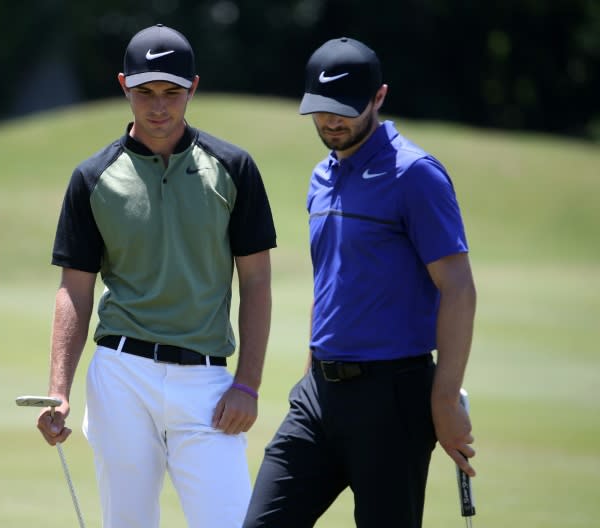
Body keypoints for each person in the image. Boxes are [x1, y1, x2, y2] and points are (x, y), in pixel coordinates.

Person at [35, 24, 276, 528]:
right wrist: (59, 388)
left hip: (209, 383)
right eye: (145, 92)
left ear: (193, 88)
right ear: (124, 86)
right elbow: (74, 291)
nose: (159, 107)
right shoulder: (92, 177)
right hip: (122, 376)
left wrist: (248, 385)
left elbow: (256, 282)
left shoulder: (234, 168)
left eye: (172, 92)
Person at [242, 37, 477, 528]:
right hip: (319, 396)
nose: (331, 121)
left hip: (393, 399)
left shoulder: (415, 175)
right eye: (322, 109)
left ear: (379, 98)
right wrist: (310, 372)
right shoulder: (321, 176)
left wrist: (445, 397)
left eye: (345, 109)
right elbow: (330, 282)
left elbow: (458, 287)